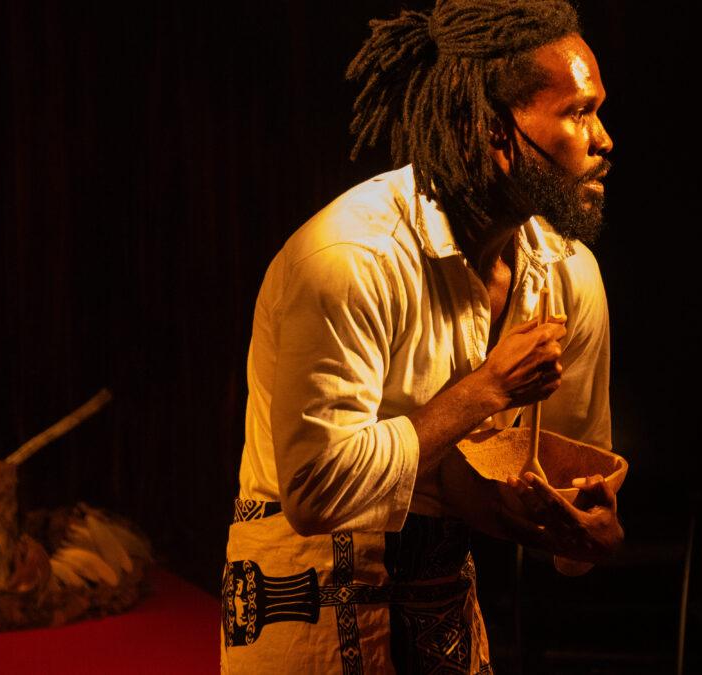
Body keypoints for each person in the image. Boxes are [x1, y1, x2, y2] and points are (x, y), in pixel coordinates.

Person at [222, 1, 622, 672]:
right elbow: (315, 490)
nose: (603, 137)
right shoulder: (350, 258)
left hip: (442, 609)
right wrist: (485, 390)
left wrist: (584, 529)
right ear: (494, 130)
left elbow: (528, 484)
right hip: (309, 607)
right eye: (578, 112)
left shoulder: (566, 274)